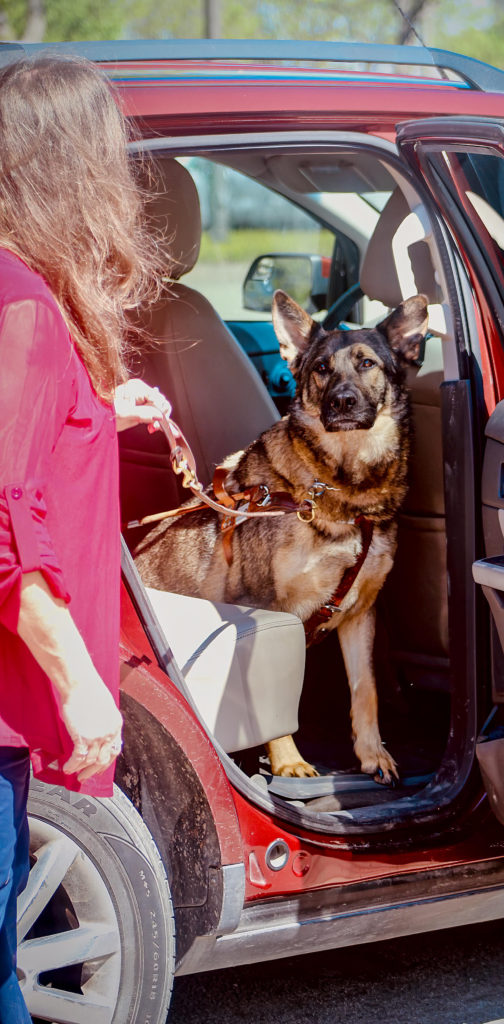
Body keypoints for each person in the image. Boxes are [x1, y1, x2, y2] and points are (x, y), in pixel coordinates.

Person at [0, 55, 170, 1021]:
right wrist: (77, 682)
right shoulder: (22, 304)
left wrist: (91, 410)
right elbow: (2, 513)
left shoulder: (12, 288)